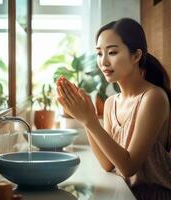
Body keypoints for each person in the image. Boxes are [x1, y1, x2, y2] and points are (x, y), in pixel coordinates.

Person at [56, 18, 171, 199]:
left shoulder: (153, 98)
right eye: (99, 53)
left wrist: (90, 120)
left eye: (112, 52)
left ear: (136, 56)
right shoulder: (111, 103)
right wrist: (86, 119)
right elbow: (108, 164)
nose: (104, 62)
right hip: (125, 195)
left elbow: (128, 167)